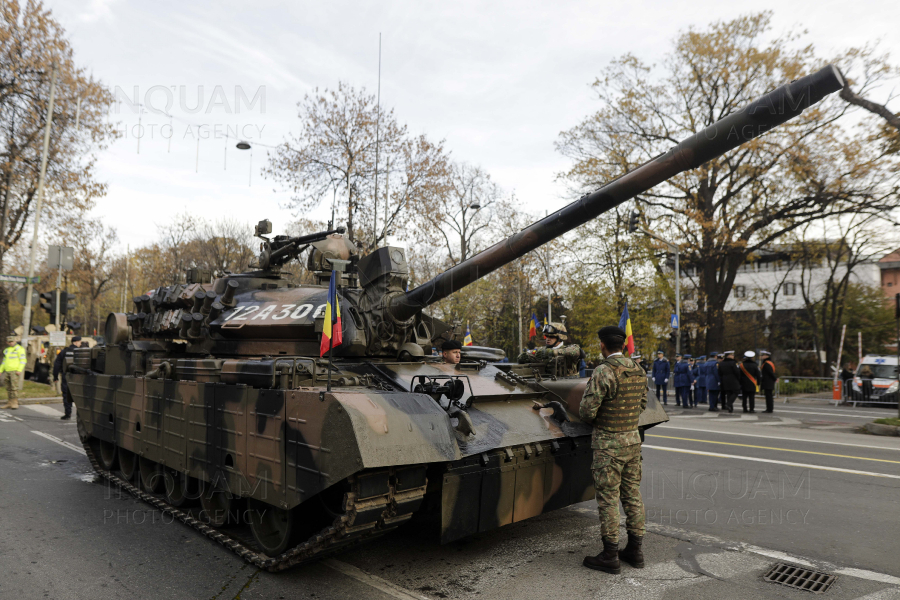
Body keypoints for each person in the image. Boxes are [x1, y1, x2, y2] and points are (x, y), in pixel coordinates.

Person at [579, 325, 647, 574]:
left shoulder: (603, 371)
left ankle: (610, 555)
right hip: (632, 442)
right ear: (623, 345)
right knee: (632, 495)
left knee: (608, 500)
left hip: (608, 445)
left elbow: (587, 412)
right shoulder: (638, 369)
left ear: (602, 345)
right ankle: (636, 551)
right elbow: (642, 405)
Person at [517, 321, 583, 376]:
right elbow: (528, 355)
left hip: (569, 386)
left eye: (551, 337)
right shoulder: (542, 351)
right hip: (548, 386)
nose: (547, 339)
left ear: (560, 337)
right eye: (546, 336)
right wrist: (524, 357)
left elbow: (577, 351)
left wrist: (553, 352)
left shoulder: (570, 349)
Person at [53, 336, 84, 420]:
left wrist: (55, 376)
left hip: (66, 376)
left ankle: (68, 414)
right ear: (76, 342)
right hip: (78, 377)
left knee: (67, 395)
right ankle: (81, 415)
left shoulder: (64, 351)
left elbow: (57, 364)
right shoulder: (81, 352)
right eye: (80, 342)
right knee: (79, 396)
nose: (80, 344)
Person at [0, 336, 27, 410]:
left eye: (12, 341)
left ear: (15, 341)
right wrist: (1, 370)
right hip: (7, 371)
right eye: (9, 342)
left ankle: (15, 403)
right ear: (7, 342)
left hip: (14, 371)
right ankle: (9, 402)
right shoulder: (7, 350)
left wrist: (19, 370)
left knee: (14, 387)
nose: (11, 343)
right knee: (8, 387)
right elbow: (4, 361)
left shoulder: (19, 349)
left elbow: (23, 360)